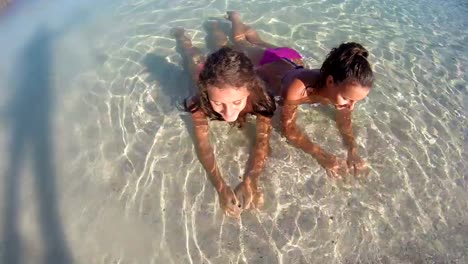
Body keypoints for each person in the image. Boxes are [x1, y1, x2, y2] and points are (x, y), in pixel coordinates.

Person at [225, 11, 374, 179]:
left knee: (257, 41)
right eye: (348, 99)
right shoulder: (297, 91)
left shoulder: (343, 87)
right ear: (330, 82)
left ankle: (248, 29)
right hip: (270, 62)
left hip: (292, 59)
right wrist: (321, 155)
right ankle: (235, 18)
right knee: (241, 44)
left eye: (356, 101)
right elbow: (288, 130)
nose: (350, 105)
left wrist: (352, 149)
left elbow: (344, 120)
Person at [171, 28, 276, 218]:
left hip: (228, 77)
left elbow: (262, 141)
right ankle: (182, 38)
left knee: (224, 49)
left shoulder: (260, 100)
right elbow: (204, 145)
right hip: (204, 75)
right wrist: (220, 187)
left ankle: (216, 30)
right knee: (192, 58)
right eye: (218, 103)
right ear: (206, 93)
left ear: (249, 91)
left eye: (237, 102)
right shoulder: (199, 102)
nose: (228, 115)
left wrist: (252, 179)